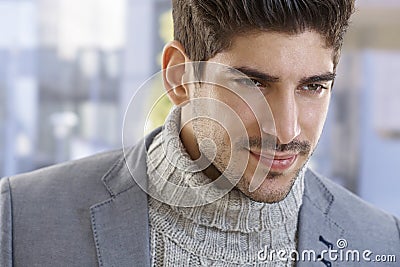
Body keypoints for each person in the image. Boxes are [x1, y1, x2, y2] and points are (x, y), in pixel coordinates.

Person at [1, 0, 399, 266]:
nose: (287, 128)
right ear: (180, 77)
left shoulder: (383, 242)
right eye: (253, 84)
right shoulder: (22, 218)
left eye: (313, 86)